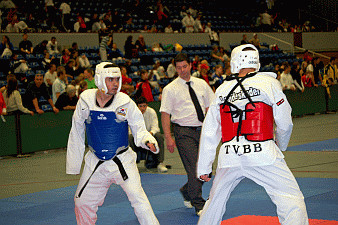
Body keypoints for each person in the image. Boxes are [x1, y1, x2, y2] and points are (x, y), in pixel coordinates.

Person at [197, 44, 309, 225]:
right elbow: (285, 122)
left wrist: (204, 166)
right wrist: (281, 145)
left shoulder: (222, 89)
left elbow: (210, 130)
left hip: (230, 155)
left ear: (234, 62)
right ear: (256, 61)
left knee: (214, 203)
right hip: (263, 152)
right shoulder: (269, 83)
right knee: (291, 200)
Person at [66, 62, 160, 225]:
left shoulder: (125, 101)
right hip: (95, 161)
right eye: (110, 79)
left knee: (139, 200)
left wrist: (148, 141)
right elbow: (76, 131)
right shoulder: (86, 100)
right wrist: (74, 164)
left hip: (122, 161)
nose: (115, 83)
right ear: (99, 79)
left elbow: (139, 128)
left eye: (117, 79)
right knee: (81, 203)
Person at [160, 53, 215, 216]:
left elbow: (209, 108)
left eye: (185, 66)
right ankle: (198, 204)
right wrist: (168, 137)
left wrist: (214, 130)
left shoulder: (201, 84)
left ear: (191, 65)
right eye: (179, 68)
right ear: (175, 69)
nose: (182, 70)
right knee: (195, 169)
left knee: (207, 169)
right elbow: (165, 114)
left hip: (202, 130)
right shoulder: (170, 89)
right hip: (183, 132)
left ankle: (187, 190)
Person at [129, 96, 168, 172]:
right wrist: (139, 136)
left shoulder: (151, 112)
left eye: (144, 106)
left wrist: (149, 134)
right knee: (129, 137)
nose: (143, 108)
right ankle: (132, 164)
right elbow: (130, 129)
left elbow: (155, 127)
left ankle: (160, 163)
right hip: (137, 135)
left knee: (159, 136)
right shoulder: (132, 113)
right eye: (140, 106)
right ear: (137, 106)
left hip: (150, 134)